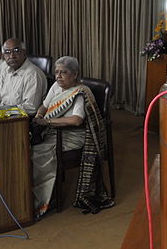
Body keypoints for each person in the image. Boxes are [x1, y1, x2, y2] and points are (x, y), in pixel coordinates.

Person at [31, 56, 111, 217]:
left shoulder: (80, 92)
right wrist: (39, 115)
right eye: (56, 72)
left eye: (63, 72)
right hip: (55, 131)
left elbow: (76, 120)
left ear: (74, 75)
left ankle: (42, 202)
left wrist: (47, 122)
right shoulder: (56, 86)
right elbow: (44, 105)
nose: (58, 76)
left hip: (73, 136)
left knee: (38, 154)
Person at [0, 38, 47, 115]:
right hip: (4, 115)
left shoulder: (33, 74)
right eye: (7, 52)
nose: (11, 56)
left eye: (16, 51)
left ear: (24, 53)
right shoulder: (6, 71)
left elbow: (31, 108)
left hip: (21, 119)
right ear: (3, 56)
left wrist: (5, 111)